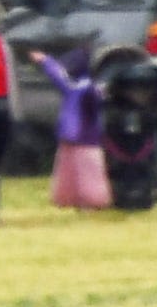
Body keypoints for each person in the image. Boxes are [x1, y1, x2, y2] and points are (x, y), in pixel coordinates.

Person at [36, 47, 109, 210]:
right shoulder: (90, 88)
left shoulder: (80, 88)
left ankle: (90, 201)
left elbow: (59, 77)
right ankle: (79, 200)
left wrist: (46, 61)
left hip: (81, 139)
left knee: (85, 174)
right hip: (80, 139)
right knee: (75, 173)